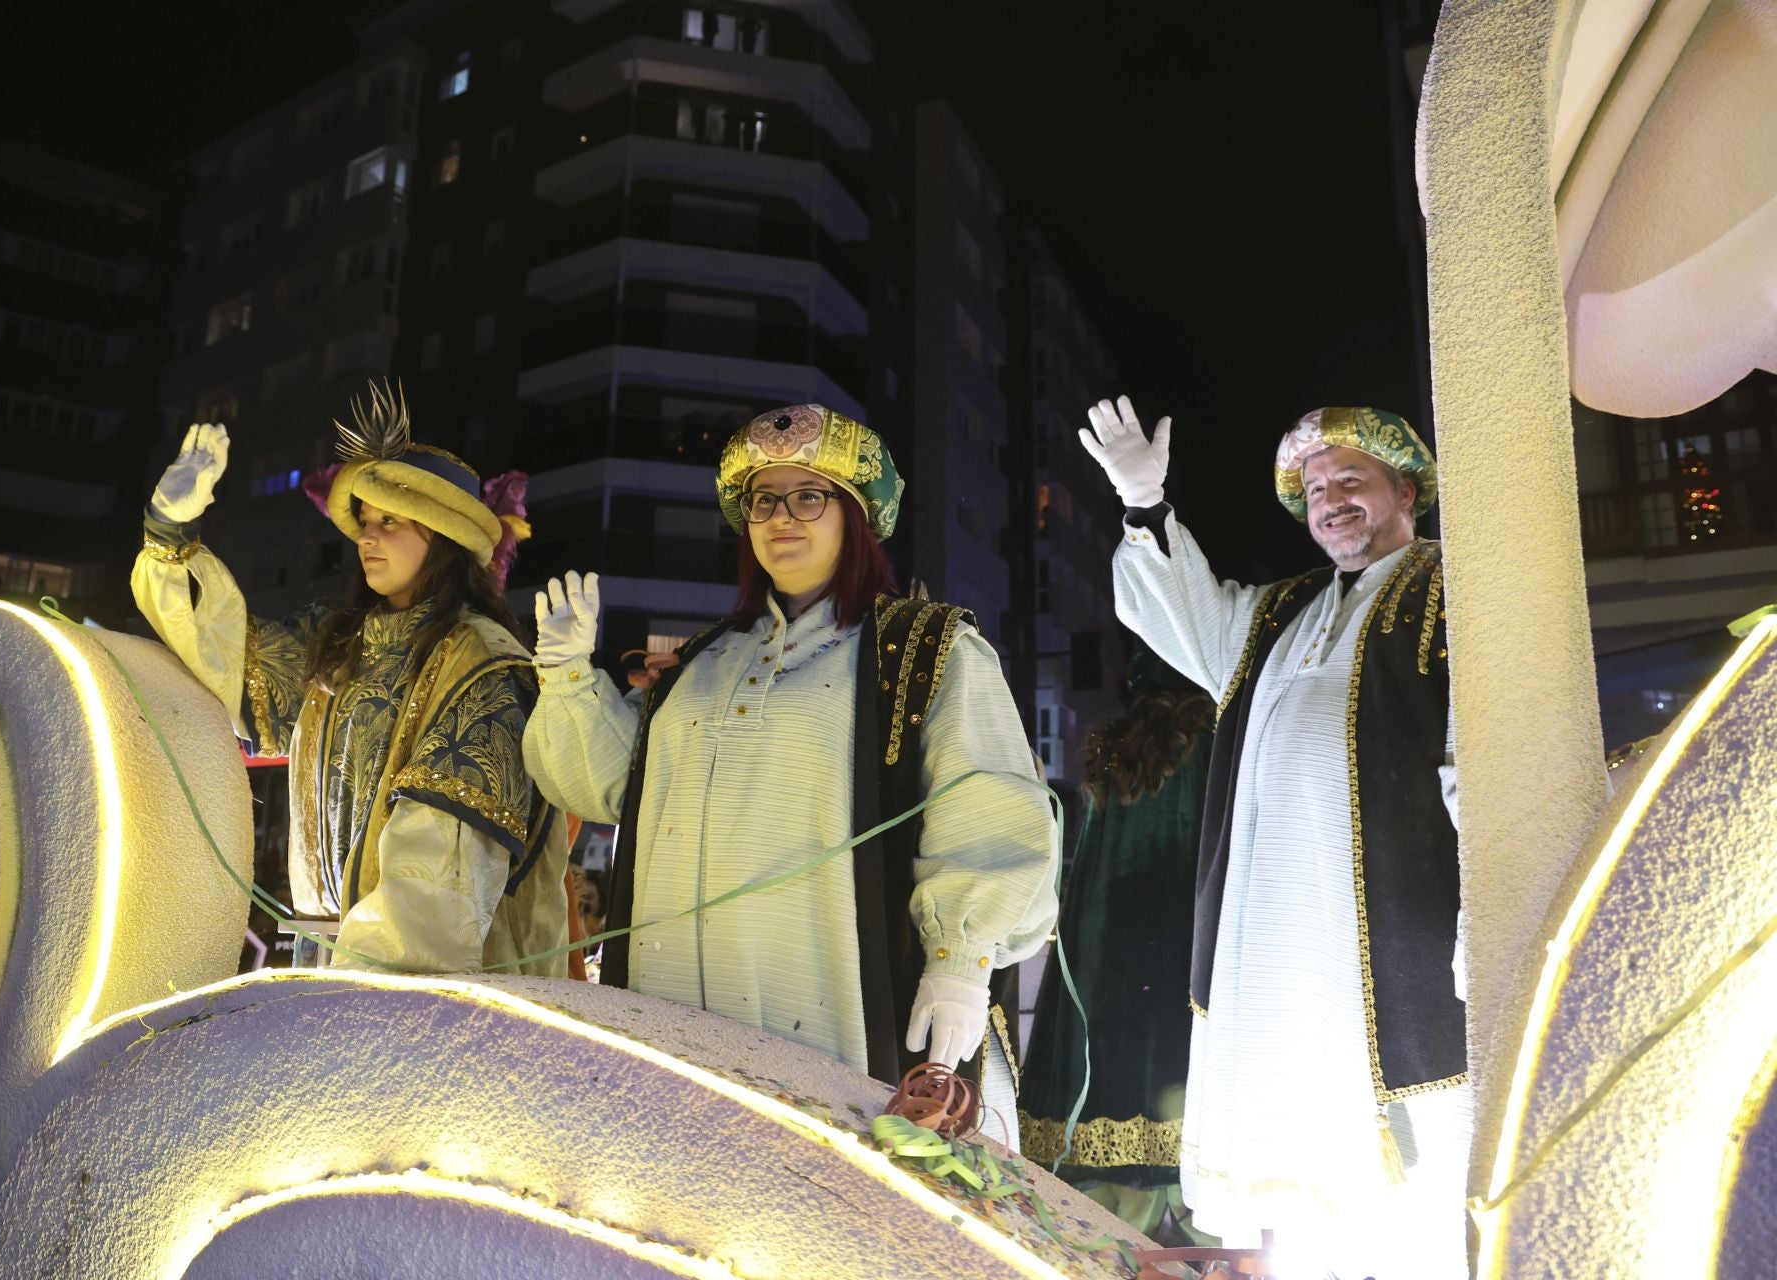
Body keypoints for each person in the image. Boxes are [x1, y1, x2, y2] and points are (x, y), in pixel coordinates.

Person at [522, 403, 1059, 1108]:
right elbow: (604, 784)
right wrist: (565, 675)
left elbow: (987, 806)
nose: (782, 517)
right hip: (669, 1004)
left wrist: (959, 961)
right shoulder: (701, 661)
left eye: (809, 496)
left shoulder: (926, 653)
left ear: (857, 515)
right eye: (762, 500)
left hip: (830, 1015)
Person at [1080, 397, 1468, 1277]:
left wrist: (1483, 904)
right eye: (1314, 487)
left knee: (1420, 1156)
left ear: (1406, 489)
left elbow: (1480, 750)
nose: (1328, 499)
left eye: (1350, 481)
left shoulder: (1454, 589)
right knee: (1290, 1129)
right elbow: (1174, 616)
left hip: (1396, 920)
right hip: (1273, 928)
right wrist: (1144, 505)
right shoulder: (1277, 611)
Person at [132, 382, 571, 976]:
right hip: (332, 969)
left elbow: (436, 887)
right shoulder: (340, 646)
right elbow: (222, 655)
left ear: (443, 537)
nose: (367, 536)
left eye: (391, 521)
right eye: (365, 519)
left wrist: (358, 985)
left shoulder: (484, 664)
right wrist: (169, 532)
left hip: (430, 992)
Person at [1016, 643, 1213, 1241]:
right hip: (1185, 933)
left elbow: (1093, 862)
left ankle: (1114, 1226)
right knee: (1179, 1049)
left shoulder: (1113, 752)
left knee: (1110, 1046)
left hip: (1109, 940)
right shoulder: (1214, 744)